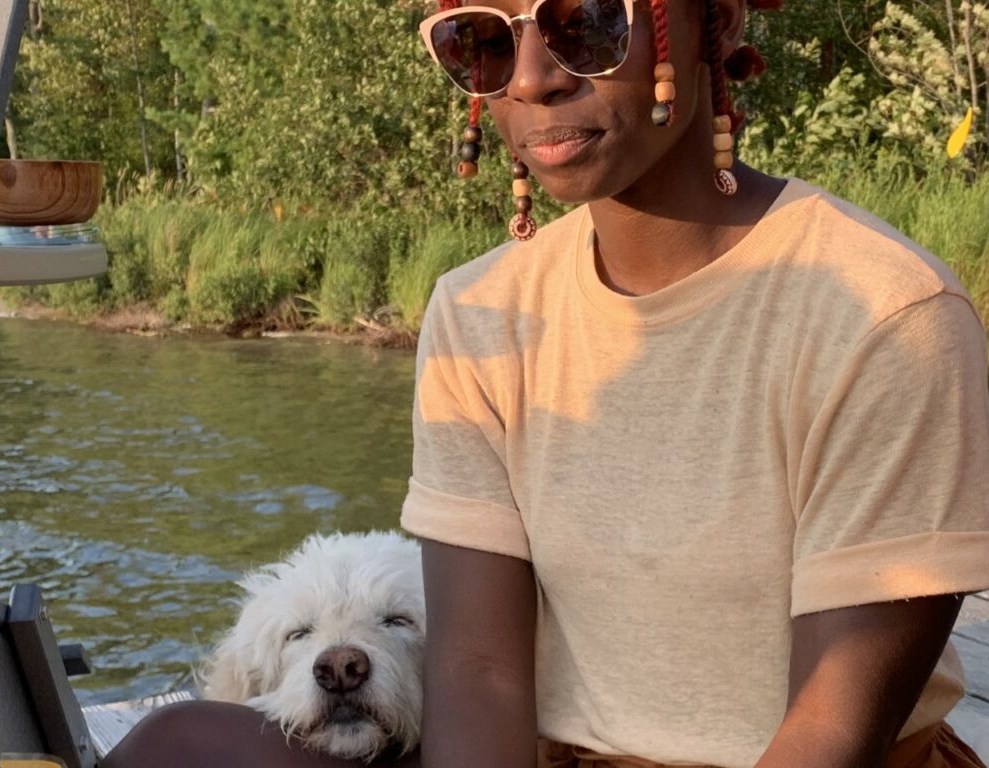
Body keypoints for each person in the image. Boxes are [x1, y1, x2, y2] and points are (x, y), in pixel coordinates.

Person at [103, 1, 989, 767]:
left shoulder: (885, 317)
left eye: (590, 22)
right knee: (174, 749)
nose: (532, 79)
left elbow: (833, 732)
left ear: (710, 21)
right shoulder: (478, 311)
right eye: (483, 43)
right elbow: (477, 673)